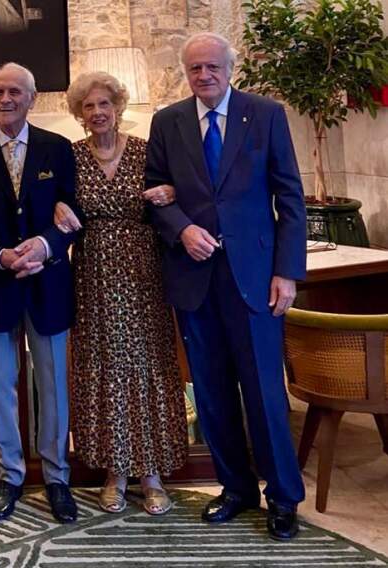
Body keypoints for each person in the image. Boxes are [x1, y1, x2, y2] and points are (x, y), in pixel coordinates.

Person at [145, 32, 307, 540]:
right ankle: (235, 489)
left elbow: (290, 197)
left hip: (255, 280)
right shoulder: (167, 121)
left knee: (264, 392)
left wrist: (287, 271)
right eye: (194, 69)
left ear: (229, 68)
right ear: (185, 73)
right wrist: (180, 227)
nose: (204, 76)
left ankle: (283, 497)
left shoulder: (266, 114)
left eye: (212, 67)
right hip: (195, 282)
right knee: (212, 393)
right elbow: (154, 193)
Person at [0, 62, 81, 524]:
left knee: (53, 387)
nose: (6, 99)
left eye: (15, 92)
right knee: (1, 386)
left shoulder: (58, 148)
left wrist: (45, 244)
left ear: (32, 99)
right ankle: (9, 475)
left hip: (48, 283)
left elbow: (73, 214)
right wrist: (2, 256)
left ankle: (56, 476)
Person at [61, 71, 188, 515]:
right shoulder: (70, 156)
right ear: (80, 114)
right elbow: (54, 201)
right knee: (104, 368)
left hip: (144, 271)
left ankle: (151, 472)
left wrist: (172, 190)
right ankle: (114, 471)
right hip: (93, 273)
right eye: (88, 106)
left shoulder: (147, 150)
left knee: (148, 364)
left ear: (118, 107)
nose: (97, 113)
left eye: (104, 105)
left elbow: (179, 193)